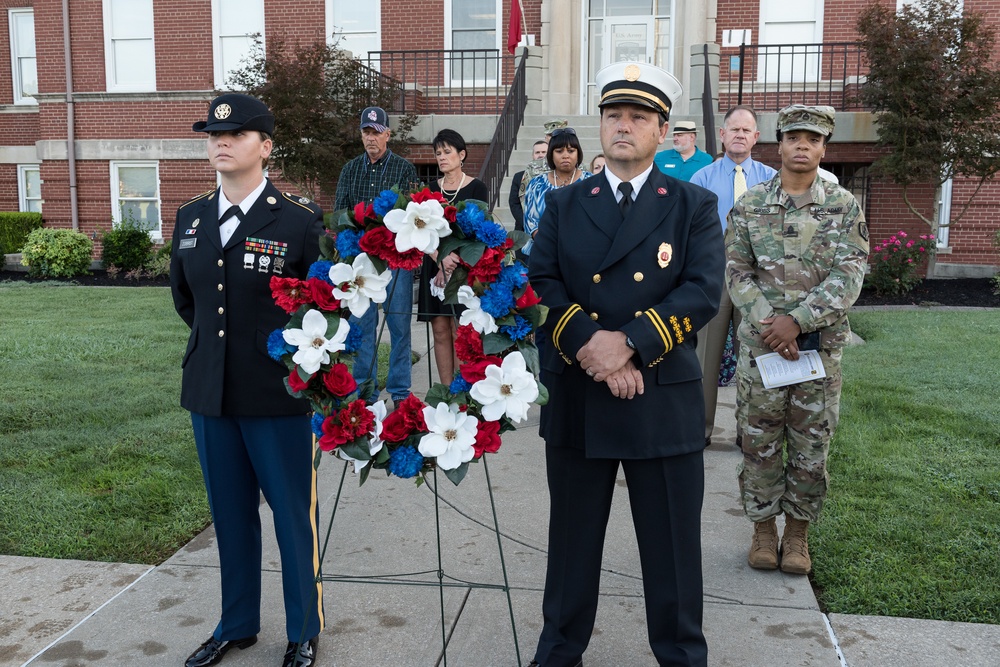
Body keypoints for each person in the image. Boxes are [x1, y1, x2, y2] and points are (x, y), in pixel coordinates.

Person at [527, 61, 724, 667]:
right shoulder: (564, 204)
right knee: (572, 545)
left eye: (638, 117)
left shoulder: (692, 203)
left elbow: (701, 290)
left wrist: (632, 343)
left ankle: (682, 657)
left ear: (662, 132)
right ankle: (558, 653)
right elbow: (542, 282)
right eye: (614, 115)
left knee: (671, 549)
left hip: (660, 393)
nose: (623, 126)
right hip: (582, 391)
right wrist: (598, 351)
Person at [170, 93, 325, 667]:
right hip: (211, 393)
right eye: (213, 134)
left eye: (234, 134)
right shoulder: (190, 217)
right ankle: (236, 623)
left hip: (277, 396)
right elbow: (186, 300)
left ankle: (303, 630)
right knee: (230, 516)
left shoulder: (299, 221)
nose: (220, 142)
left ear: (265, 145)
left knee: (291, 517)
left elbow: (321, 311)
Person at [726, 105, 869, 575]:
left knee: (811, 445)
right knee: (758, 441)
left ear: (824, 147)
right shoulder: (749, 205)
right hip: (762, 350)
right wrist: (773, 324)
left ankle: (799, 536)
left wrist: (800, 320)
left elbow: (850, 273)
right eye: (794, 138)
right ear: (779, 144)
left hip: (818, 351)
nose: (802, 146)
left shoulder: (843, 205)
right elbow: (736, 270)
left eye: (813, 139)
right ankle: (763, 529)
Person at [689, 106, 777, 449]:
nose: (739, 135)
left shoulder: (772, 179)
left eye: (747, 130)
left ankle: (750, 432)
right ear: (722, 135)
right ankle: (699, 430)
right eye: (733, 129)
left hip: (757, 277)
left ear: (756, 137)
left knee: (754, 356)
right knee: (705, 356)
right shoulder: (702, 179)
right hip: (715, 271)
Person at [334, 106, 418, 408]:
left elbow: (412, 215)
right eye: (366, 132)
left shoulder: (404, 169)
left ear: (387, 134)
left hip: (395, 259)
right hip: (361, 261)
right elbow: (339, 213)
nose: (371, 138)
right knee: (362, 326)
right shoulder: (350, 169)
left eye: (376, 131)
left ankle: (400, 392)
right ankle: (364, 391)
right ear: (361, 135)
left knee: (398, 325)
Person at [417, 129, 489, 384]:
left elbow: (479, 231)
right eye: (438, 153)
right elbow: (420, 230)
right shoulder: (429, 190)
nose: (441, 157)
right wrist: (439, 259)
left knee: (461, 330)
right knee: (439, 329)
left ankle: (462, 389)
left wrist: (452, 260)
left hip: (463, 267)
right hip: (434, 264)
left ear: (462, 154)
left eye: (447, 152)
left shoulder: (477, 188)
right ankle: (447, 390)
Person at [522, 128, 591, 257]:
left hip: (583, 254)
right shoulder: (537, 184)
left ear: (578, 153)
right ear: (551, 155)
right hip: (544, 254)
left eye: (571, 151)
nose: (565, 155)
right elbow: (531, 222)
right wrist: (552, 246)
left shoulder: (591, 182)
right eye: (559, 151)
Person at [510, 139, 550, 262]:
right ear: (533, 155)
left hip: (550, 231)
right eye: (537, 152)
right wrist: (529, 224)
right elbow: (514, 203)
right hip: (523, 233)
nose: (540, 155)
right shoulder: (519, 177)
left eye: (544, 152)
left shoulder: (555, 176)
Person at [517, 119, 569, 211]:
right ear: (546, 138)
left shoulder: (577, 165)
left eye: (558, 134)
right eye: (550, 135)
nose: (554, 138)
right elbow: (525, 195)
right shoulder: (533, 166)